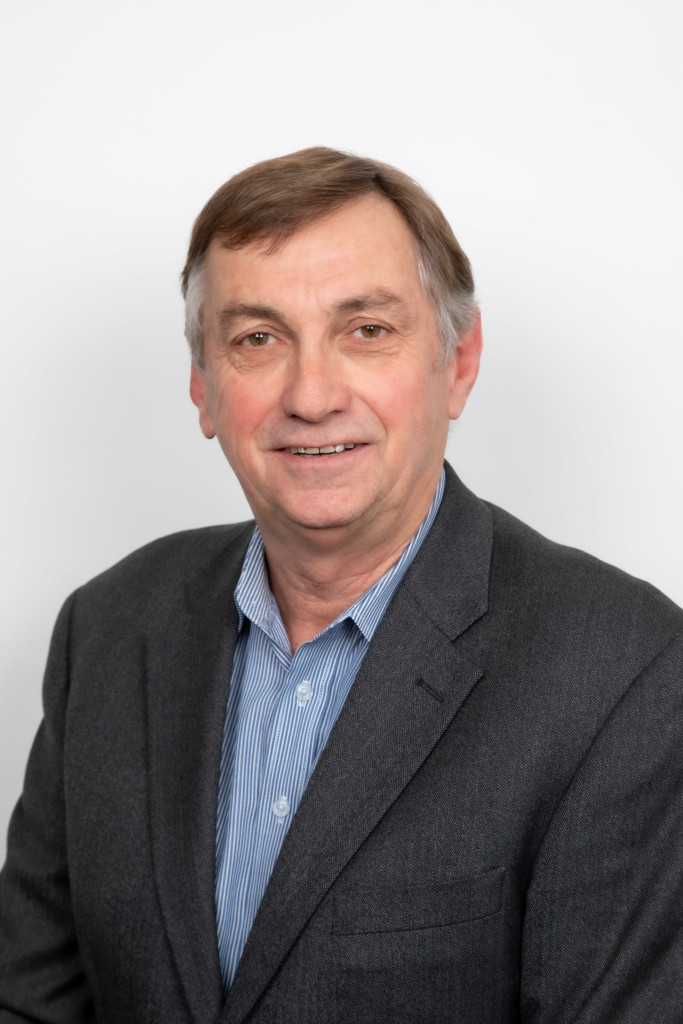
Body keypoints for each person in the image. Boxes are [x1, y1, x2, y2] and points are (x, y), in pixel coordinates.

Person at [0, 147, 681, 1024]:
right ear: (204, 386)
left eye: (366, 330)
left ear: (458, 362)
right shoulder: (106, 628)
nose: (311, 395)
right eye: (257, 339)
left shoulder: (622, 671)